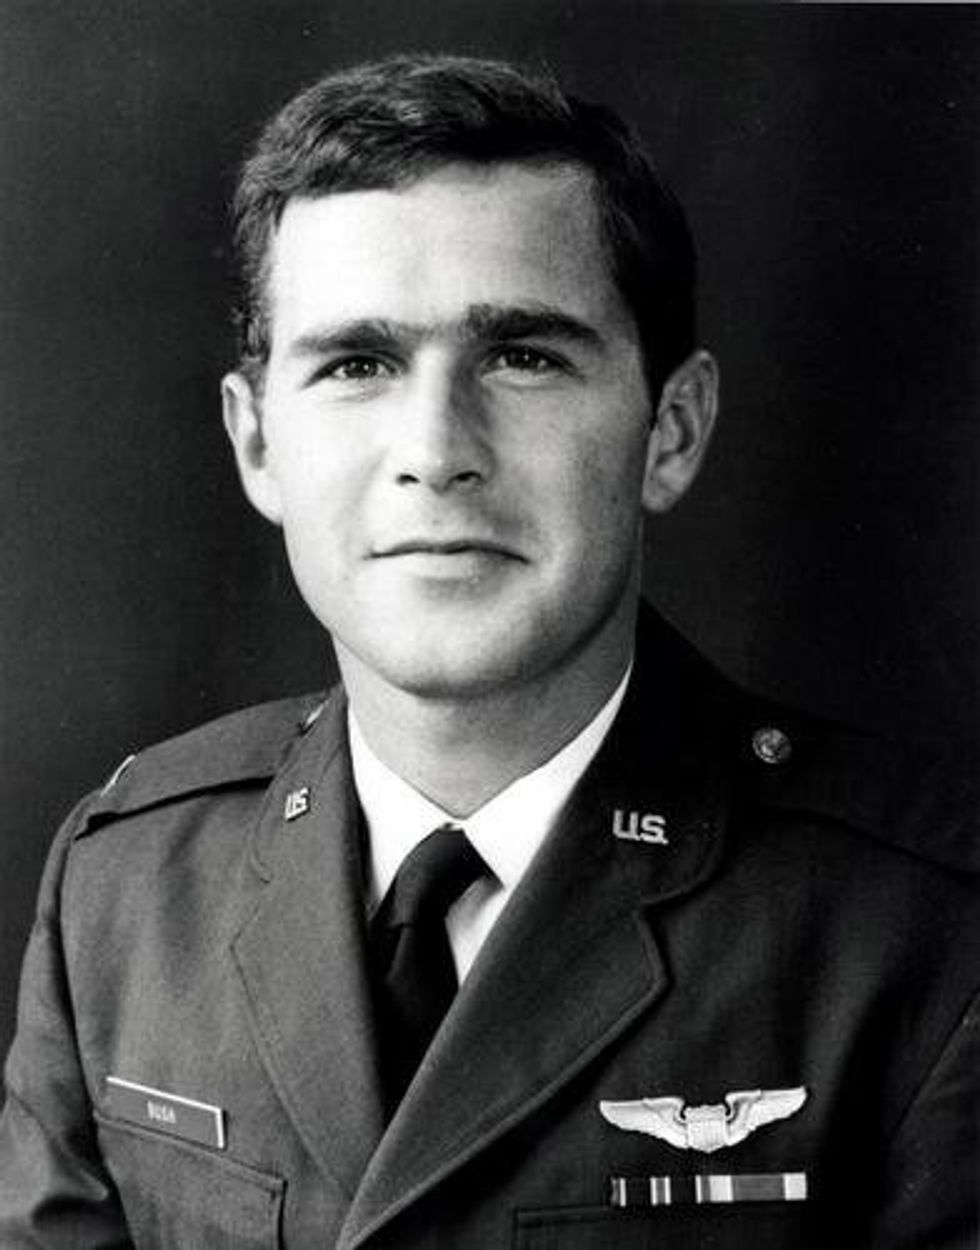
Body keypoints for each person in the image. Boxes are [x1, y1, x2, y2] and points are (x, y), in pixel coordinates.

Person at [0, 52, 977, 1250]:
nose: (435, 450)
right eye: (356, 364)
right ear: (257, 447)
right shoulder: (123, 890)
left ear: (669, 430)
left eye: (522, 356)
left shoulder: (924, 933)